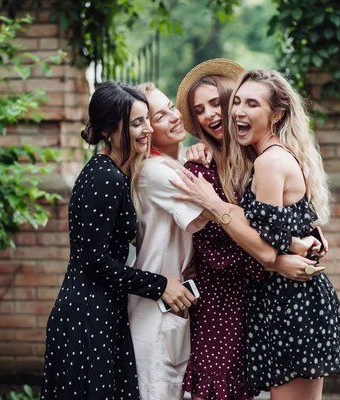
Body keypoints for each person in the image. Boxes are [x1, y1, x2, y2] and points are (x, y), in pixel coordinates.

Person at [172, 69, 340, 400]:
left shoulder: (260, 158)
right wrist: (282, 255)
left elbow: (270, 228)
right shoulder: (205, 166)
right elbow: (229, 245)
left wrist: (295, 243)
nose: (212, 114)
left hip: (275, 302)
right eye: (200, 110)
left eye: (219, 103)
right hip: (228, 304)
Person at [41, 82, 196, 400]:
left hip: (101, 311)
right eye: (137, 123)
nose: (147, 130)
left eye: (147, 120)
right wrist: (160, 285)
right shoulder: (105, 178)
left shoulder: (112, 172)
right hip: (87, 317)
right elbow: (96, 262)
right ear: (110, 131)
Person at [127, 82, 206, 400]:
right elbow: (213, 213)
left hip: (175, 304)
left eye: (170, 107)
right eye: (160, 116)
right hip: (155, 310)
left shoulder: (178, 164)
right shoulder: (155, 171)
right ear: (147, 130)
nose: (173, 117)